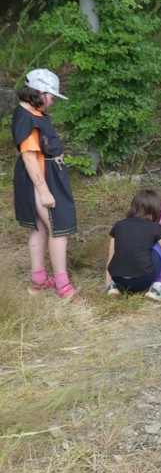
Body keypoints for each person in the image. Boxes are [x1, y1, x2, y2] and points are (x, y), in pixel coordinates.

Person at [11, 69, 82, 302]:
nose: (52, 102)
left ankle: (39, 280)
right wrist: (44, 192)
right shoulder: (28, 118)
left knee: (40, 228)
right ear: (39, 93)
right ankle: (63, 286)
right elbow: (30, 158)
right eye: (51, 97)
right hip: (41, 178)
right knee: (58, 229)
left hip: (46, 174)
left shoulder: (32, 111)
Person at [105, 189, 161, 301]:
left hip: (118, 279)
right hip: (144, 280)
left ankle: (113, 286)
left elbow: (111, 257)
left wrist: (108, 282)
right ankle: (157, 287)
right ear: (156, 210)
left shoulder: (119, 225)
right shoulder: (156, 228)